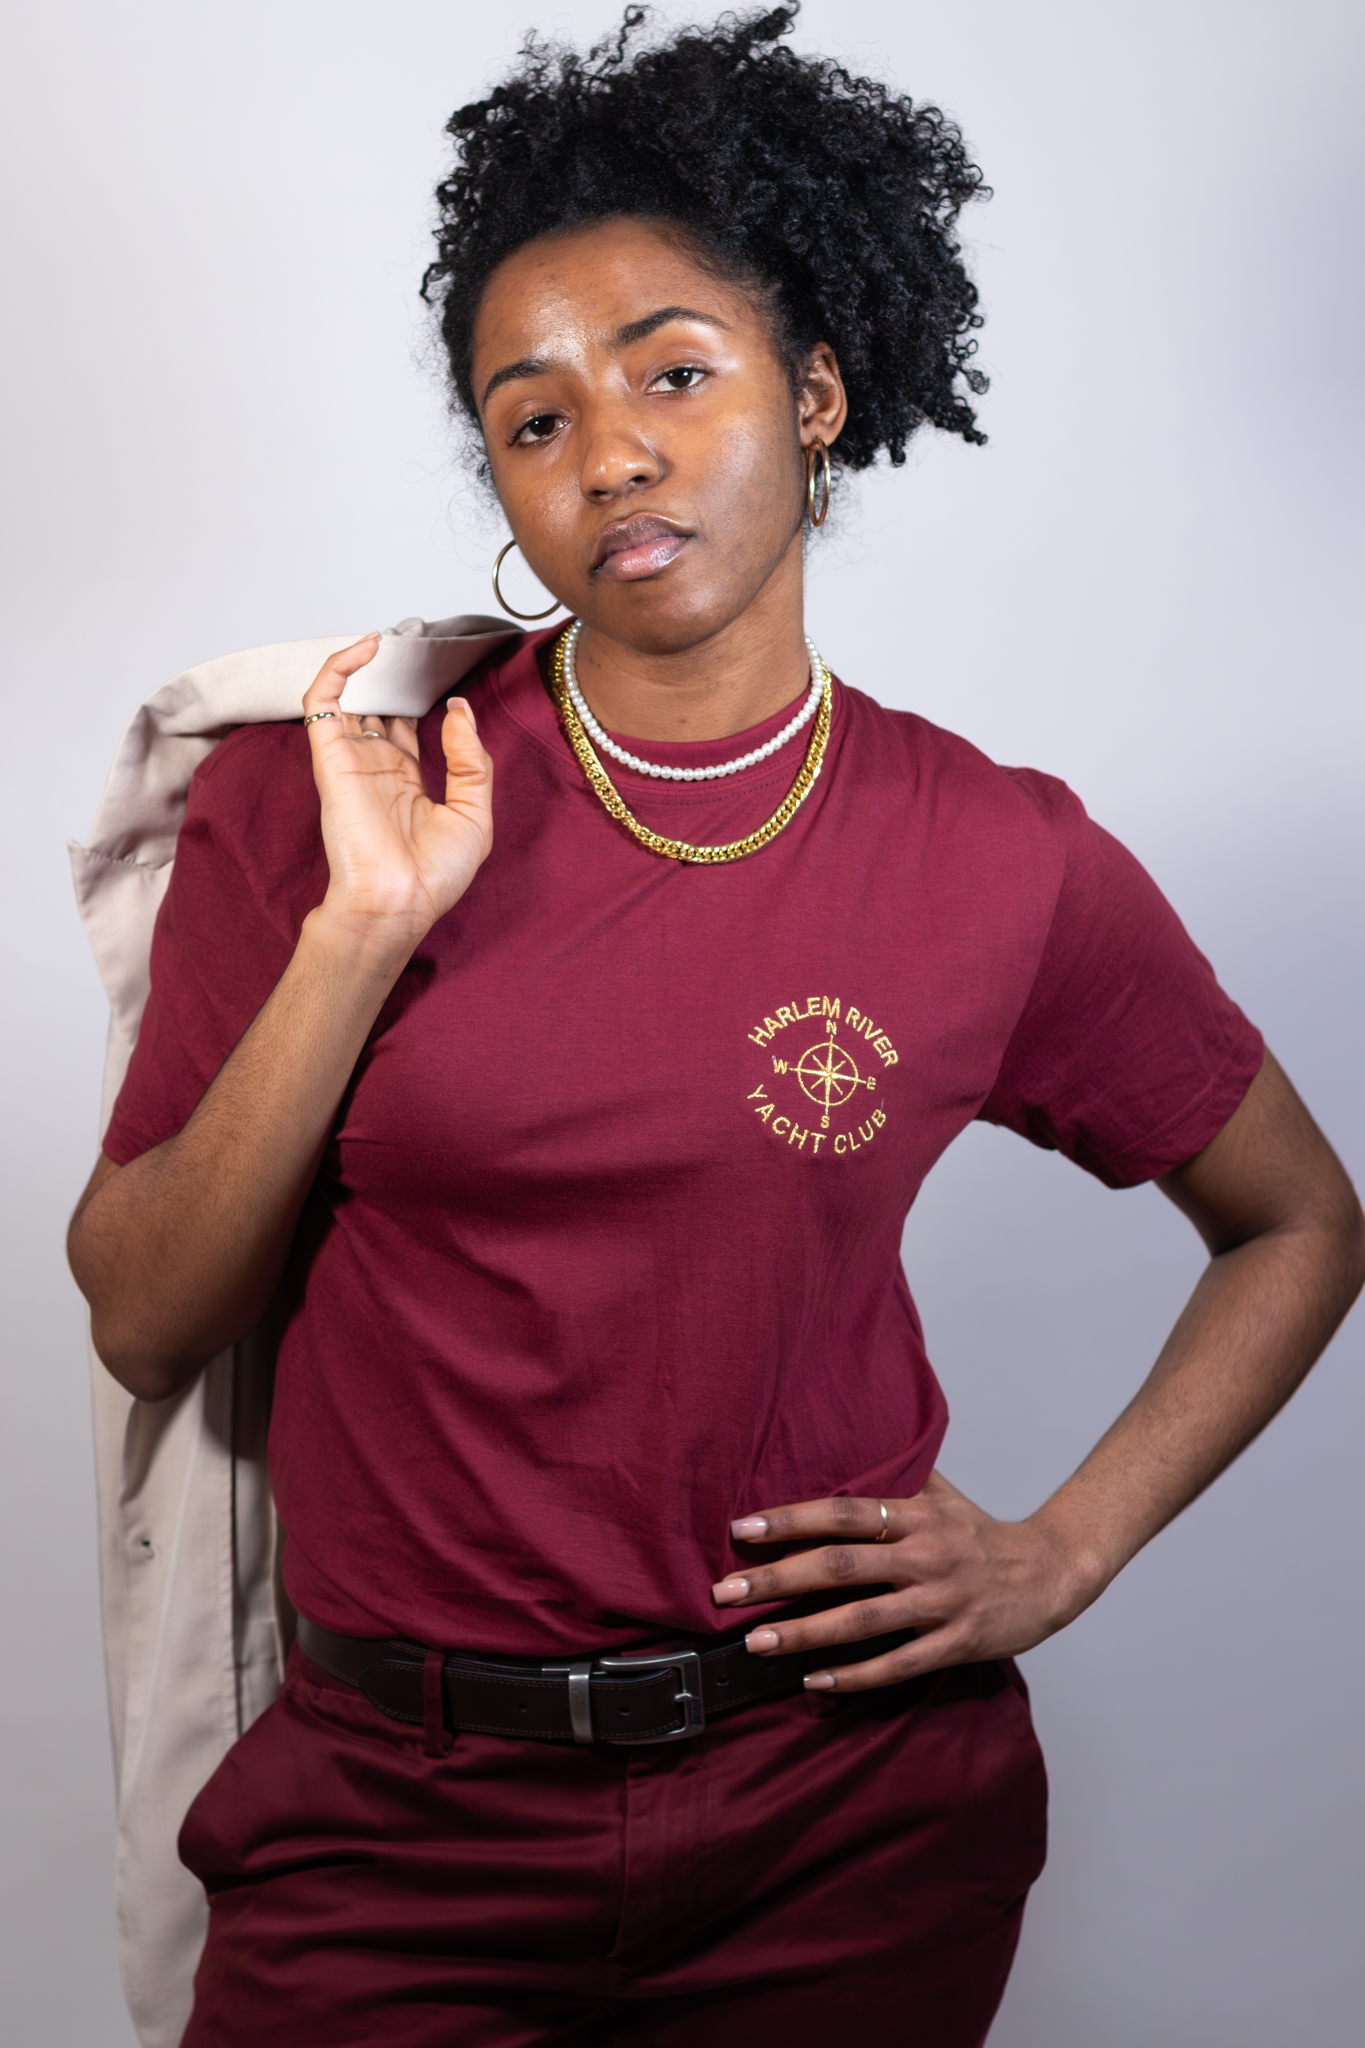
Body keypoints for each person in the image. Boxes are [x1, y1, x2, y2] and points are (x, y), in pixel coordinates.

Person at [67, 6, 1364, 2044]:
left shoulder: (995, 854)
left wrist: (1061, 1551)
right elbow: (144, 1312)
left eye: (675, 371)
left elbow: (1298, 1218)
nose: (614, 451)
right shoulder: (329, 793)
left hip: (841, 1825)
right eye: (535, 415)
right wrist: (360, 933)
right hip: (397, 1821)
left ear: (819, 391)